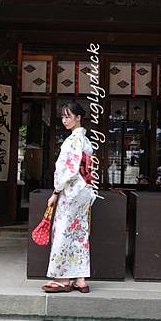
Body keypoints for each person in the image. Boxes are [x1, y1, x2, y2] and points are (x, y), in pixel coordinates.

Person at [41, 101, 96, 294]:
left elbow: (70, 170)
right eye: (63, 117)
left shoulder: (73, 140)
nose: (64, 120)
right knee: (79, 233)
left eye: (68, 116)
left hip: (71, 191)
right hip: (84, 191)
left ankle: (63, 278)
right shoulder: (86, 141)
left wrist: (56, 192)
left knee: (63, 230)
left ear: (78, 117)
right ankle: (80, 279)